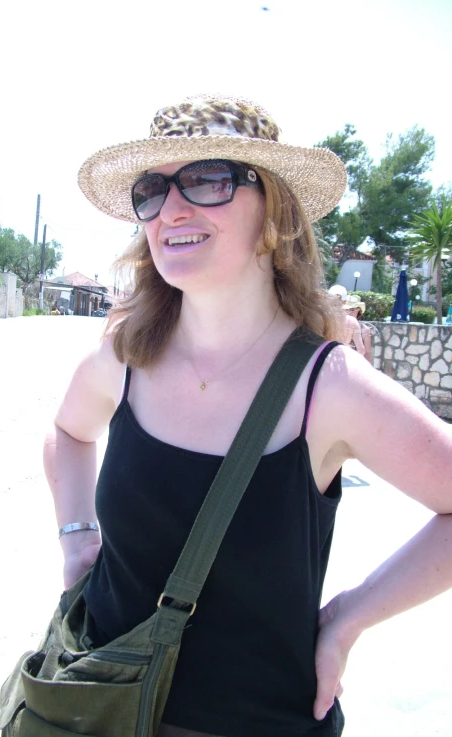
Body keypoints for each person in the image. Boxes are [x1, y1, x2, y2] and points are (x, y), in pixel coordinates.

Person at [43, 95, 452, 737]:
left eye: (207, 179)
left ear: (275, 216)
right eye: (153, 189)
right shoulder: (123, 355)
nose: (171, 209)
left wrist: (348, 619)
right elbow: (67, 434)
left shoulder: (330, 387)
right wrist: (75, 537)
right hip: (99, 710)